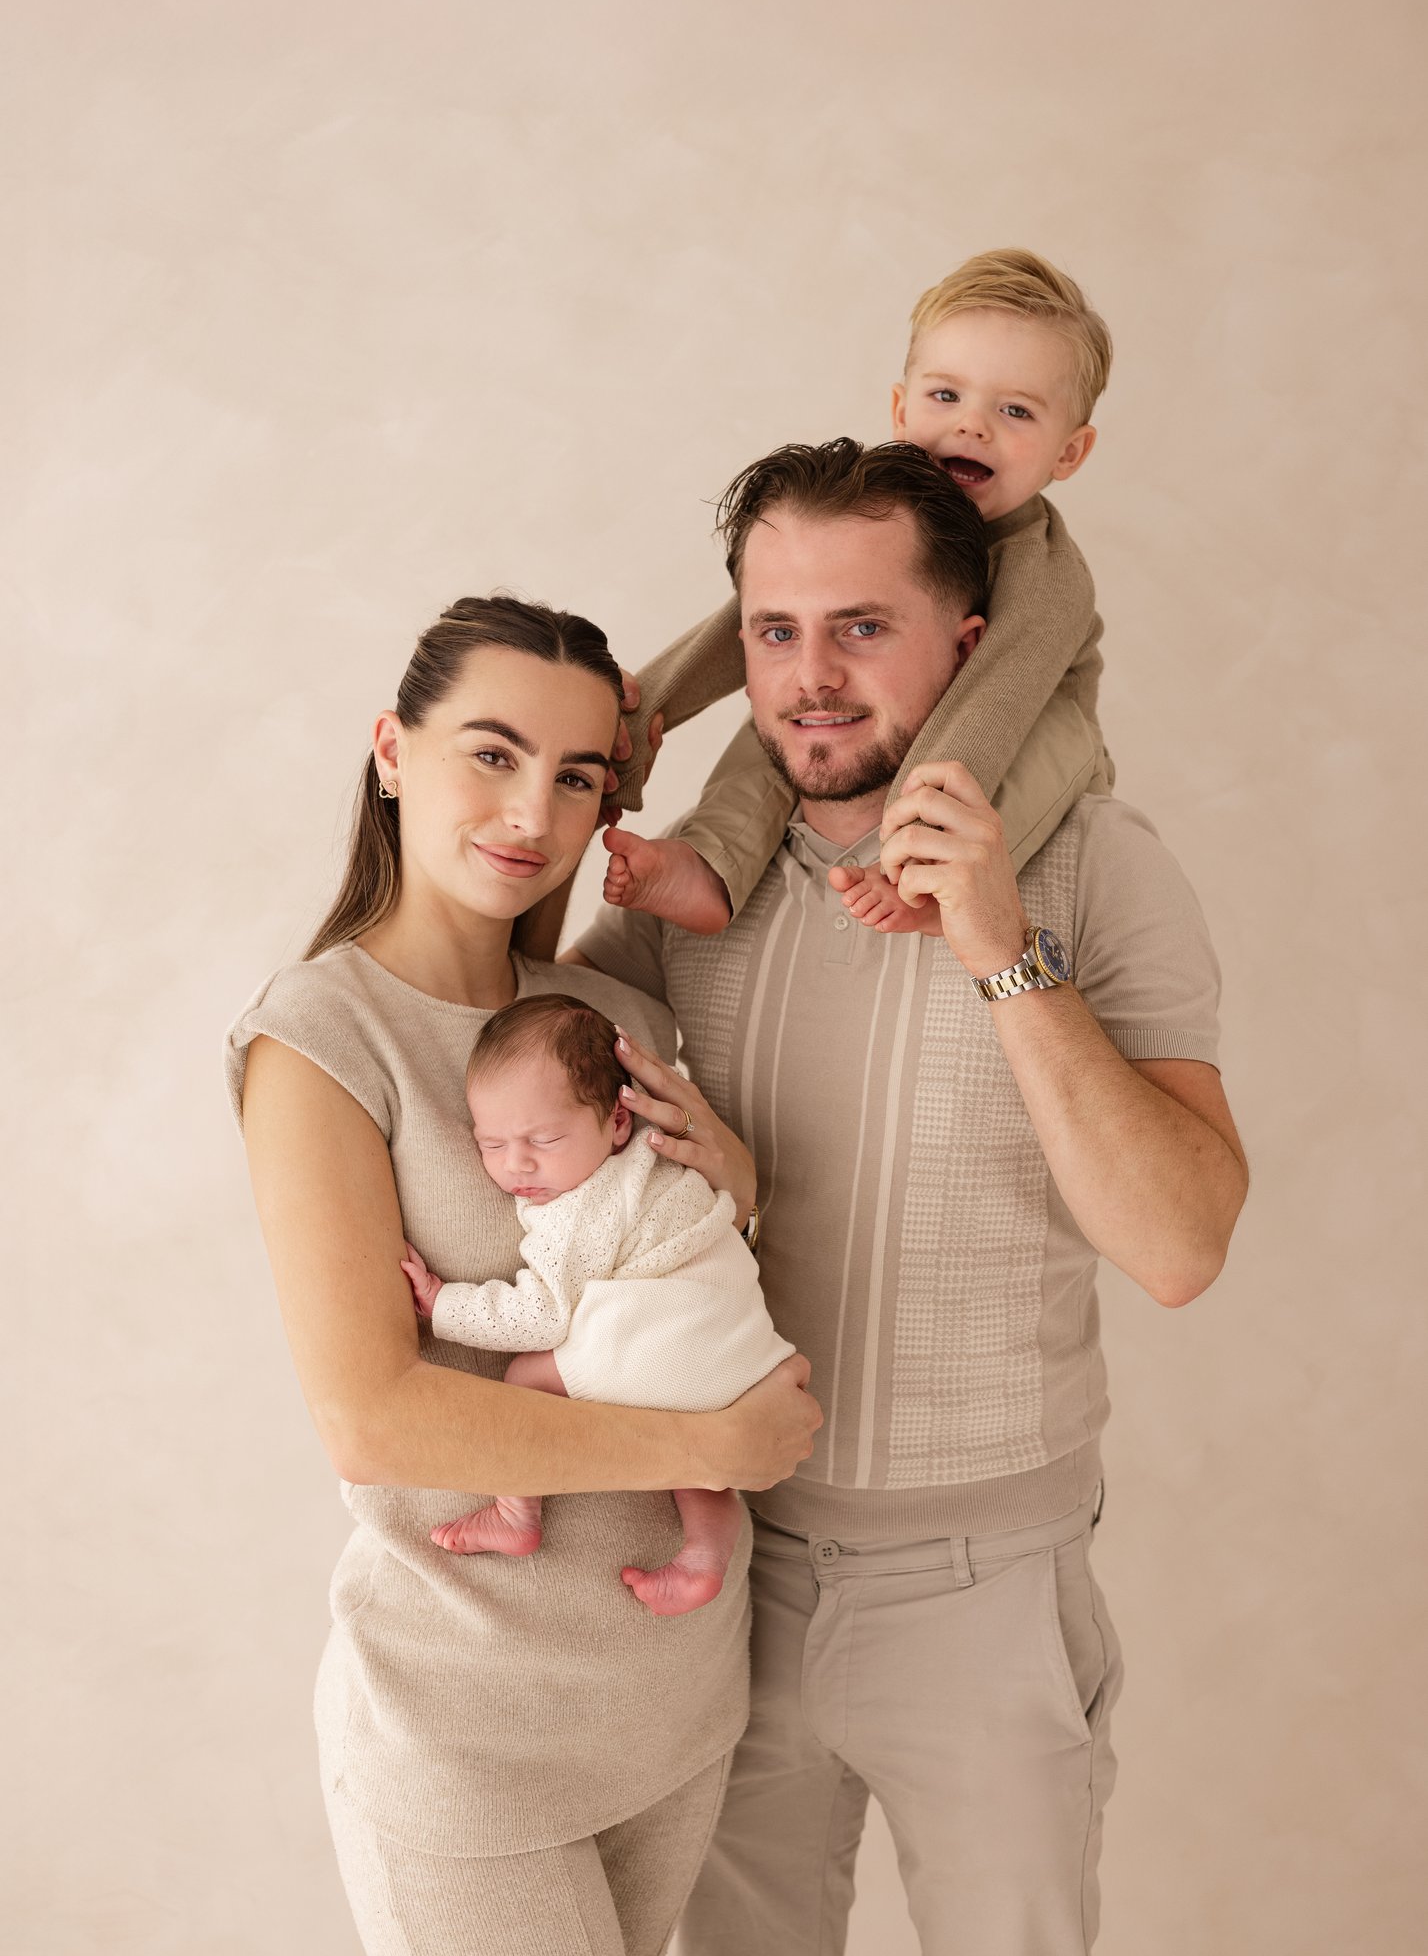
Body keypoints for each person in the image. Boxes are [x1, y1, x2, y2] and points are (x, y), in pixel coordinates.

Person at [569, 440, 1249, 1955]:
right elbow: (516, 1088)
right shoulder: (691, 891)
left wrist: (1002, 945)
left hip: (986, 1595)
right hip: (721, 1574)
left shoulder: (1098, 867)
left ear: (969, 641)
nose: (810, 676)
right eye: (774, 629)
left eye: (862, 626)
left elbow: (1183, 1242)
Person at [225, 596, 820, 1956]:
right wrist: (710, 1442)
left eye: (577, 774)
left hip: (676, 1701)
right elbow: (374, 1415)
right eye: (490, 754)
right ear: (392, 748)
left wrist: (743, 1175)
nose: (531, 810)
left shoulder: (621, 1020)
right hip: (466, 1733)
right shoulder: (321, 1035)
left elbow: (689, 1281)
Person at [597, 247, 1116, 939]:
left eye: (1016, 410)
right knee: (799, 695)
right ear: (901, 410)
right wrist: (637, 712)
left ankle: (941, 884)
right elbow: (750, 627)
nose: (973, 425)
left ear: (1069, 453)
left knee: (1039, 755)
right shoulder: (875, 518)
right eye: (945, 395)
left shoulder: (1048, 572)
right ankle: (712, 862)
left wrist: (907, 837)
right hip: (901, 710)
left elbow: (992, 703)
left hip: (1026, 715)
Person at [399, 991, 794, 1616]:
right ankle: (704, 1553)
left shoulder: (579, 1210)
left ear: (615, 1121)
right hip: (738, 1349)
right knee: (698, 1455)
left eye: (543, 1139)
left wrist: (444, 1304)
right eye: (491, 1145)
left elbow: (543, 1313)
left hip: (673, 1332)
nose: (517, 1163)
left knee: (526, 1378)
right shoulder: (654, 1154)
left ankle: (515, 1512)